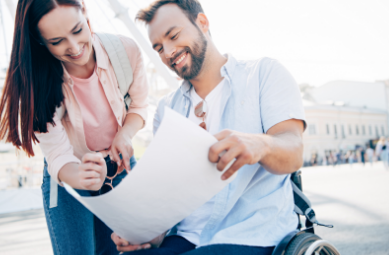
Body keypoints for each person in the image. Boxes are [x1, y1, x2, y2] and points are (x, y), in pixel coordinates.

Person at [111, 1, 306, 254]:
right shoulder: (166, 110)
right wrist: (145, 233)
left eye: (173, 35)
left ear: (202, 23)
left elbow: (294, 150)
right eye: (158, 47)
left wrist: (262, 144)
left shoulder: (263, 74)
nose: (168, 51)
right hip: (188, 238)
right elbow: (170, 196)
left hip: (252, 235)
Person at [0, 0, 149, 254]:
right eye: (57, 41)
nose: (74, 48)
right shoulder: (39, 84)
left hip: (121, 170)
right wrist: (82, 176)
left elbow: (140, 107)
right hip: (68, 180)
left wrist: (124, 134)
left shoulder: (124, 51)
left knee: (138, 248)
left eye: (77, 30)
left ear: (85, 12)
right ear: (40, 41)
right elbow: (58, 155)